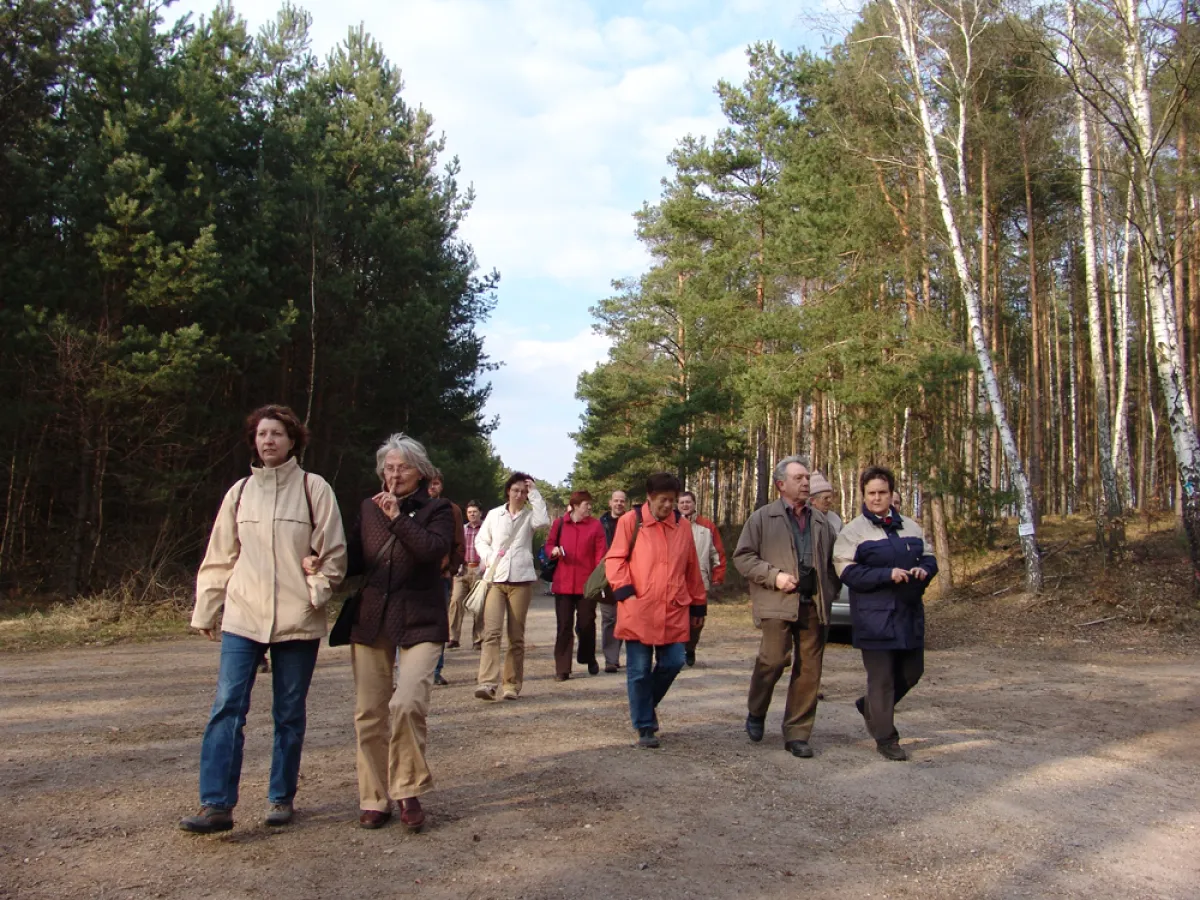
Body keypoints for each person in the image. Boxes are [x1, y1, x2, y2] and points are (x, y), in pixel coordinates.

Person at [181, 405, 347, 834]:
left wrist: (318, 589)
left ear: (294, 440)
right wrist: (207, 607)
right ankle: (216, 805)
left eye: (277, 433)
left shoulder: (315, 489)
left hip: (297, 617)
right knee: (226, 708)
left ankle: (281, 797)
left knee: (288, 712)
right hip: (244, 616)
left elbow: (334, 555)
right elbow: (220, 556)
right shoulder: (239, 493)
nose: (268, 440)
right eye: (261, 434)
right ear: (253, 441)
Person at [332, 433, 457, 832]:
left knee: (407, 703)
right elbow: (354, 557)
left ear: (419, 471)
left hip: (422, 618)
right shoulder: (368, 508)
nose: (395, 474)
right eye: (388, 467)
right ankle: (374, 797)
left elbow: (431, 550)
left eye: (403, 467)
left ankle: (406, 788)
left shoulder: (438, 509)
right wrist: (321, 560)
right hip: (372, 617)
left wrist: (397, 518)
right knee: (369, 712)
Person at [733, 455, 839, 759]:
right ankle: (756, 710)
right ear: (781, 484)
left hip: (813, 605)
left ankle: (797, 733)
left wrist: (829, 592)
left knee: (809, 671)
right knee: (774, 660)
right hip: (776, 602)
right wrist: (774, 577)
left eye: (807, 478)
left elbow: (833, 565)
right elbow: (743, 557)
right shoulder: (762, 518)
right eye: (799, 478)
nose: (806, 482)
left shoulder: (822, 522)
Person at [834, 466, 937, 761]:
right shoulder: (853, 531)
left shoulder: (911, 526)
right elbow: (846, 572)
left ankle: (871, 707)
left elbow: (930, 557)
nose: (877, 498)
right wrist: (885, 574)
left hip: (908, 613)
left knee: (912, 672)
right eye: (871, 493)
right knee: (882, 679)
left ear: (892, 495)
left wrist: (923, 571)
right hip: (874, 618)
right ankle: (886, 738)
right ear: (864, 496)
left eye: (882, 493)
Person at [605, 473, 706, 749]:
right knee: (638, 670)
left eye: (672, 501)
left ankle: (645, 707)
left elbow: (691, 567)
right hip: (639, 607)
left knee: (674, 661)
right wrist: (625, 591)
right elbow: (615, 559)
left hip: (673, 608)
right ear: (649, 497)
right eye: (663, 500)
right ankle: (645, 726)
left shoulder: (682, 526)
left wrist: (698, 603)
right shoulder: (631, 521)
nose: (668, 506)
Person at [474, 472, 550, 701]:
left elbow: (544, 521)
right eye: (515, 490)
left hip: (520, 581)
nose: (519, 494)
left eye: (523, 491)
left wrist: (535, 492)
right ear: (508, 490)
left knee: (516, 636)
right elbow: (481, 540)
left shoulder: (529, 516)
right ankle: (487, 683)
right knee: (491, 632)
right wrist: (488, 557)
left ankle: (512, 684)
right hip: (496, 579)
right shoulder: (494, 514)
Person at [544, 490, 607, 681]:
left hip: (587, 585)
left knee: (586, 624)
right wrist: (553, 551)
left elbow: (600, 554)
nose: (589, 508)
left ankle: (587, 656)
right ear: (576, 506)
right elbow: (548, 545)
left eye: (590, 504)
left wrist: (600, 578)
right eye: (586, 504)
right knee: (564, 626)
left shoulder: (596, 526)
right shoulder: (560, 524)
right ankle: (562, 669)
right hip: (563, 584)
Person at [677, 490, 726, 667]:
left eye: (688, 502)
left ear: (694, 504)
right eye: (681, 502)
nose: (685, 505)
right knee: (677, 619)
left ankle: (690, 648)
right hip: (677, 582)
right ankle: (677, 651)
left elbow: (718, 554)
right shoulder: (672, 525)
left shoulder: (707, 526)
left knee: (697, 621)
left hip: (700, 581)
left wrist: (718, 577)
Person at [428, 472, 465, 687]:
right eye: (429, 483)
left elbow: (459, 543)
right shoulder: (412, 506)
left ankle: (436, 669)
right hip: (412, 577)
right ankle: (404, 673)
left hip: (440, 575)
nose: (432, 487)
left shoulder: (452, 510)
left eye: (436, 483)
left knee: (439, 623)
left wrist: (450, 568)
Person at [448, 500, 485, 650]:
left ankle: (478, 639)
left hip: (479, 571)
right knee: (456, 602)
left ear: (480, 513)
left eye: (475, 512)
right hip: (462, 570)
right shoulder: (462, 529)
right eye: (469, 512)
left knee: (478, 605)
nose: (472, 514)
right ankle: (453, 638)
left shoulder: (486, 530)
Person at [597, 490, 628, 673]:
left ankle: (618, 655)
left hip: (628, 576)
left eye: (622, 501)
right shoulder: (600, 524)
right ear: (610, 503)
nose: (618, 504)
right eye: (616, 500)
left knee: (625, 616)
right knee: (609, 618)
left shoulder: (633, 523)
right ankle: (611, 659)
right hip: (606, 576)